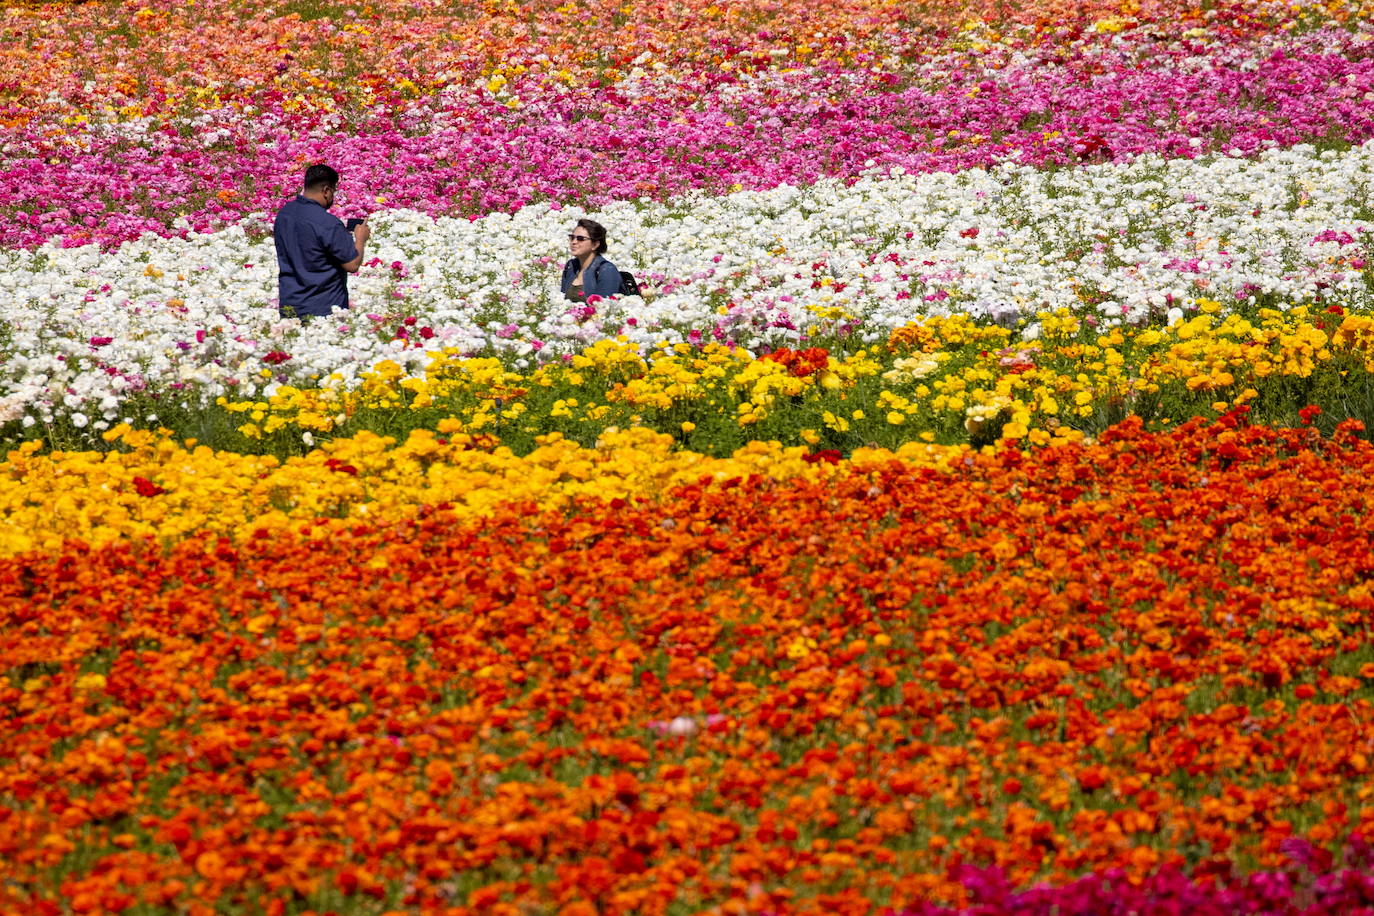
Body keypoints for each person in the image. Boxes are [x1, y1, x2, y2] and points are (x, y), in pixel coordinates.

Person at [273, 164, 371, 318]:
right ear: (326, 191)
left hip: (290, 304)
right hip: (323, 308)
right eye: (333, 191)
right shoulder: (328, 224)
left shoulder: (285, 214)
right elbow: (352, 264)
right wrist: (360, 238)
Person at [560, 218, 621, 302]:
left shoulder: (607, 270)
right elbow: (562, 300)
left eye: (580, 239)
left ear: (595, 245)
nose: (574, 242)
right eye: (572, 237)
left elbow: (604, 307)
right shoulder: (571, 266)